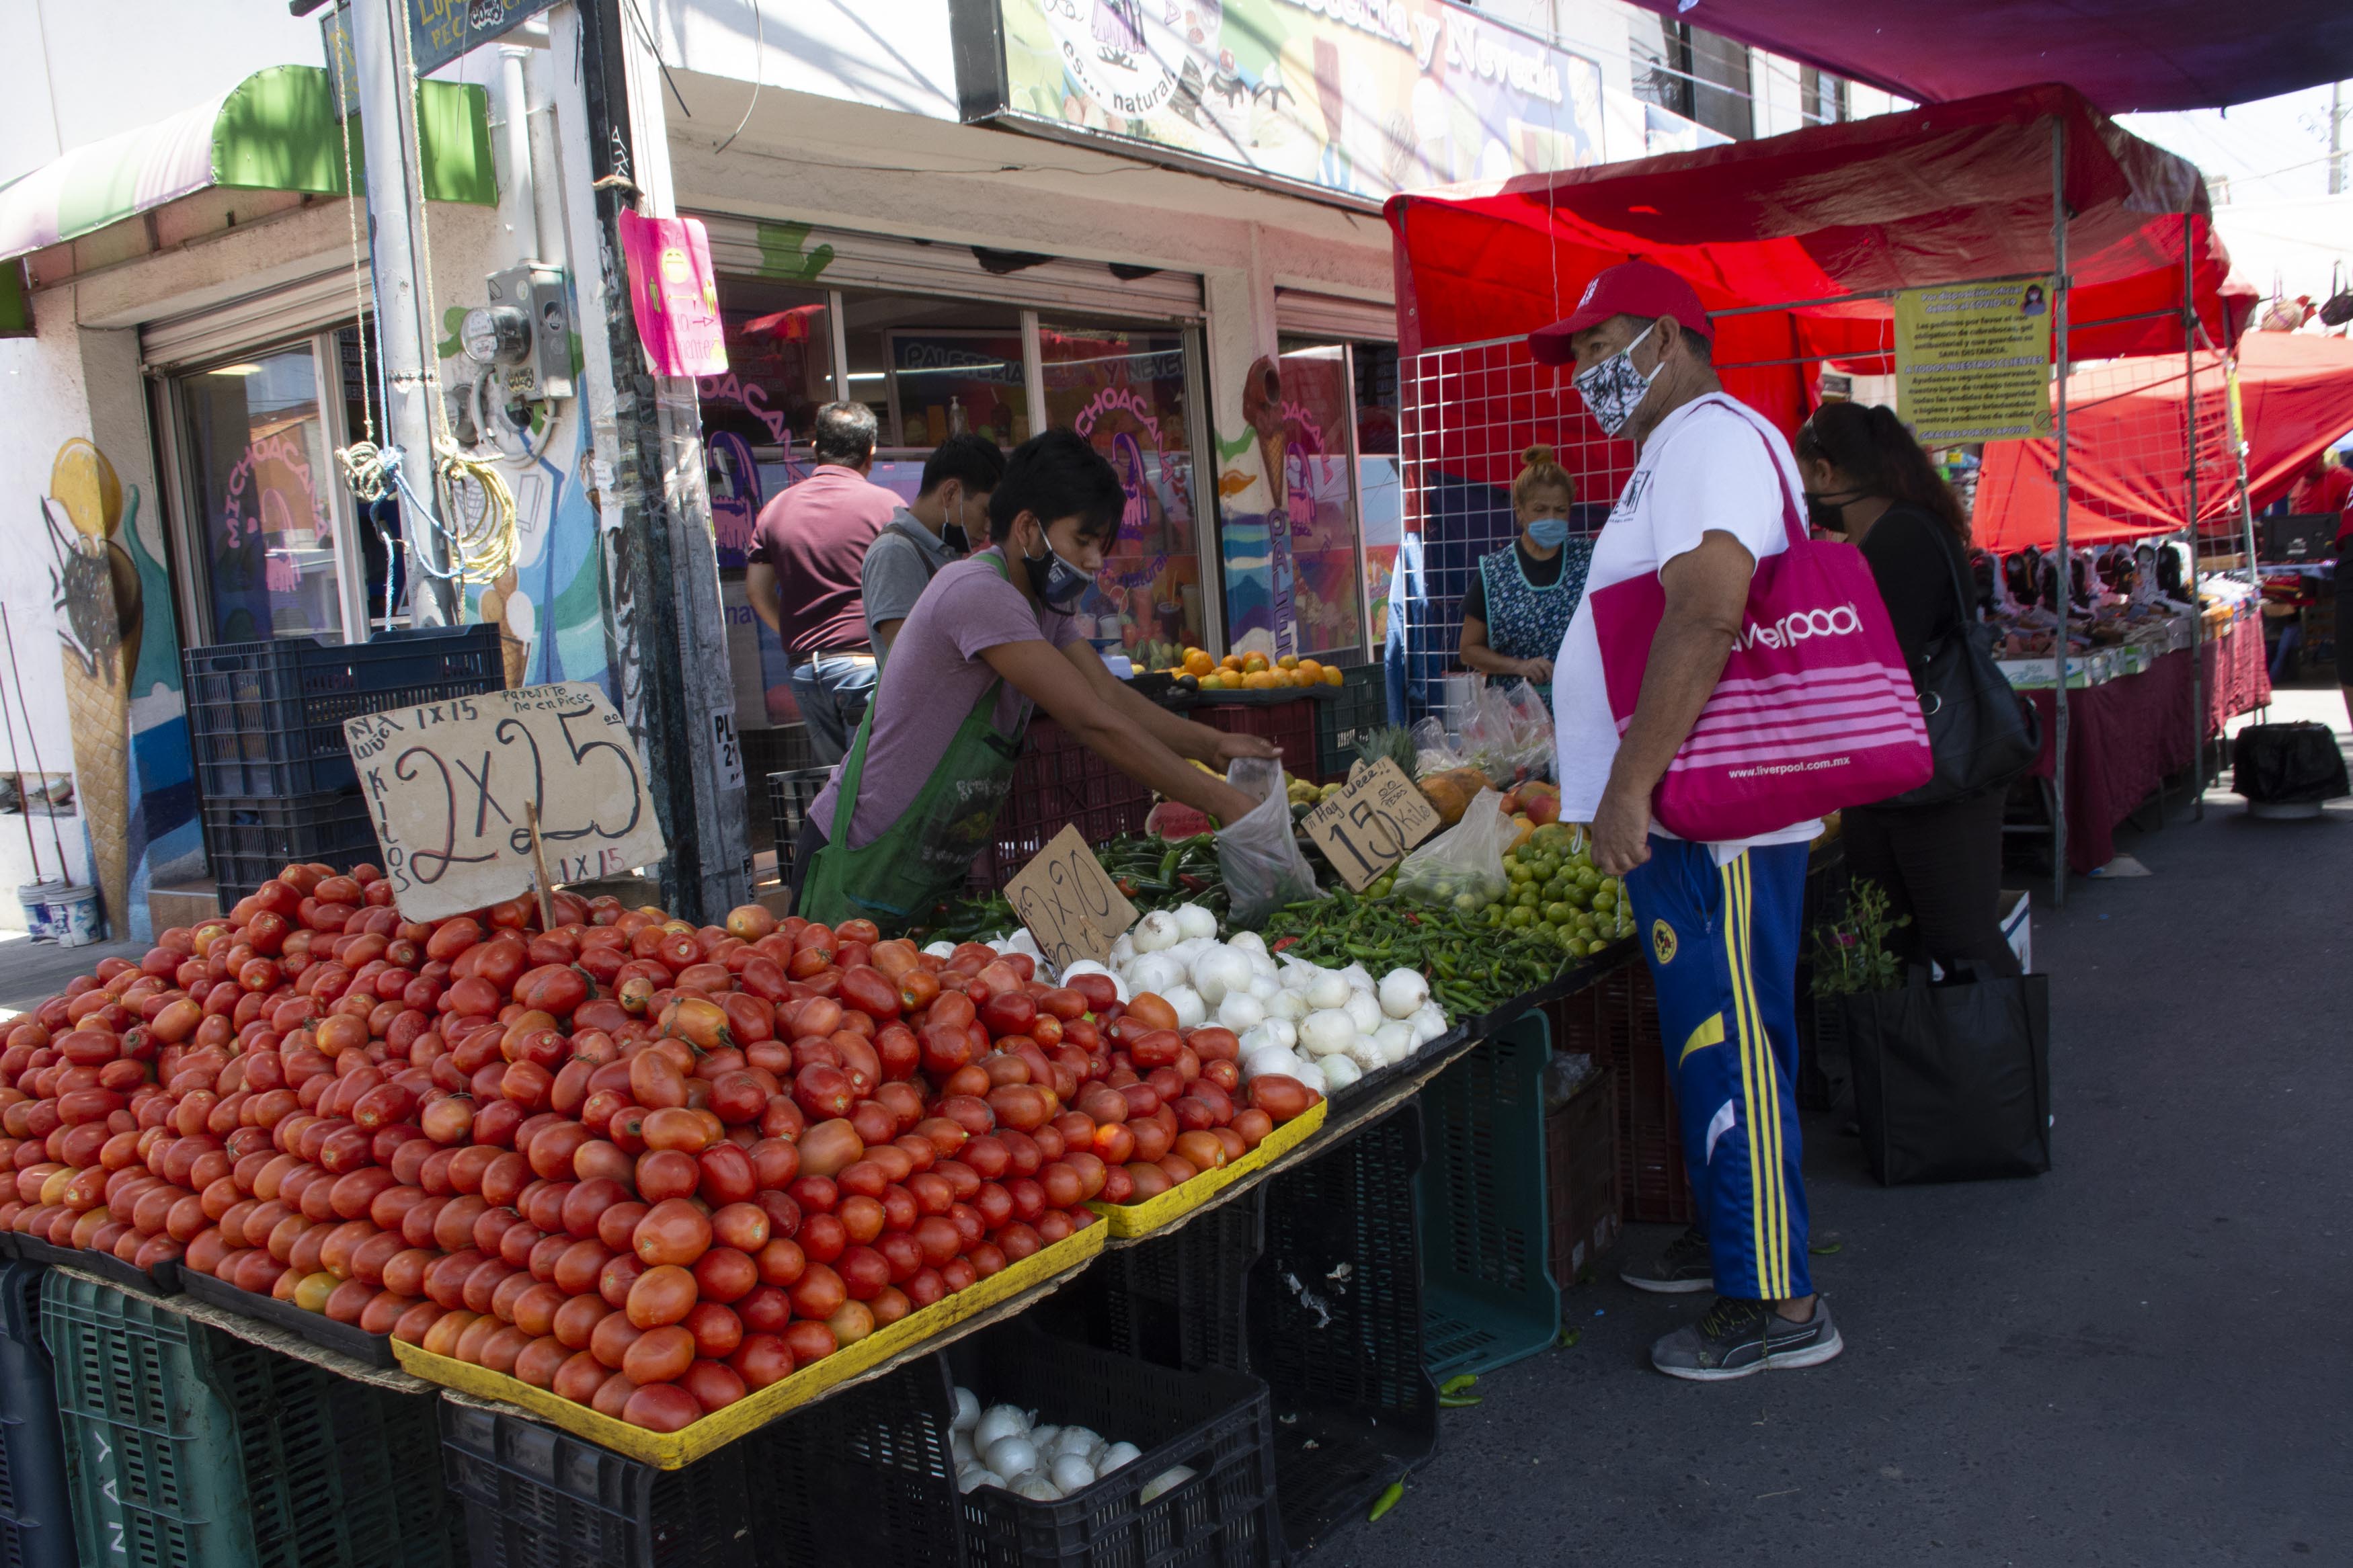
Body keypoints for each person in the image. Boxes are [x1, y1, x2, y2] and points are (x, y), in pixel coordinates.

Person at [1528, 260, 1841, 1380]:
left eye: (1597, 345)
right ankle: (1739, 1242)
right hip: (1693, 814)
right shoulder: (1673, 450)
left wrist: (1628, 789)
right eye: (1572, 358)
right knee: (1721, 1037)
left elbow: (1708, 611)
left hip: (1706, 817)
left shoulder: (1709, 435)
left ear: (1665, 335)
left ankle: (1778, 1300)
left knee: (1734, 1043)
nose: (1583, 375)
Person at [794, 430, 1277, 930]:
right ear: (1027, 527)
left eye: (1101, 545)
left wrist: (1214, 746)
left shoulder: (1044, 608)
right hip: (858, 853)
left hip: (922, 862)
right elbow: (1093, 722)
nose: (1094, 561)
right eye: (1083, 540)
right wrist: (1222, 801)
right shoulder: (979, 592)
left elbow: (1108, 694)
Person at [1796, 401, 2023, 980]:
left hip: (1935, 779)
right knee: (1897, 943)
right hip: (1910, 778)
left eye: (1805, 483)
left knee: (1962, 943)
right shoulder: (1903, 527)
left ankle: (1997, 1064)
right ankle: (1932, 1065)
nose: (1807, 502)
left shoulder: (1900, 539)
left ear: (1827, 474)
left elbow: (1873, 662)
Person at [746, 401, 898, 766]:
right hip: (867, 667)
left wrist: (798, 632)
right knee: (875, 780)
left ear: (815, 448)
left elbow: (756, 590)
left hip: (805, 671)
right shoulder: (888, 508)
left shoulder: (777, 509)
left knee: (835, 786)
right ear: (871, 453)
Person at [1456, 444, 1591, 711]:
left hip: (1580, 708)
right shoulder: (1495, 572)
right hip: (1514, 718)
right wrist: (1520, 666)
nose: (1551, 518)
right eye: (1540, 510)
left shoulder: (1589, 560)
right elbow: (1469, 649)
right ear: (1520, 511)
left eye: (1560, 510)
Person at [863, 434, 1003, 659]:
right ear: (950, 493)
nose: (988, 528)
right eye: (984, 512)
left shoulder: (947, 551)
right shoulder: (894, 551)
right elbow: (906, 661)